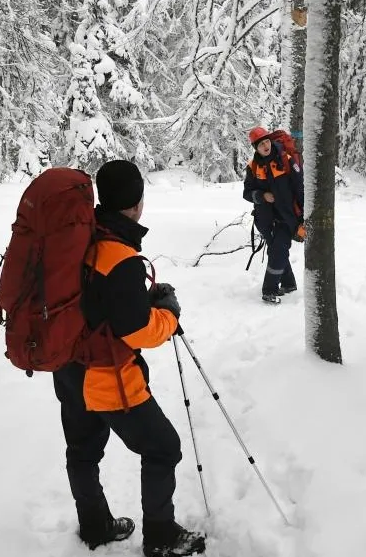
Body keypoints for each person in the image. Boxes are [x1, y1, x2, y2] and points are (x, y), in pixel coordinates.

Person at [52, 159, 206, 557]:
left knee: (82, 452)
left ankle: (96, 527)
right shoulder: (119, 257)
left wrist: (141, 300)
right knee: (163, 448)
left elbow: (100, 302)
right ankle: (160, 537)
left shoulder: (82, 238)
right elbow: (138, 331)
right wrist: (168, 314)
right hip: (107, 378)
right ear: (136, 203)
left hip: (69, 367)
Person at [242, 127, 305, 304]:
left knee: (278, 250)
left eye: (267, 141)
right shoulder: (253, 166)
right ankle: (289, 283)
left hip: (287, 217)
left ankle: (269, 290)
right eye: (261, 144)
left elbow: (300, 190)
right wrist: (262, 196)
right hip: (265, 219)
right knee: (277, 251)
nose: (265, 145)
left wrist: (303, 217)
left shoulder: (287, 160)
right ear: (255, 148)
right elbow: (247, 193)